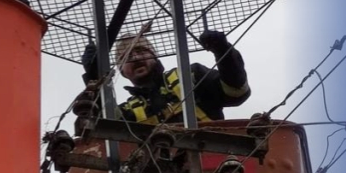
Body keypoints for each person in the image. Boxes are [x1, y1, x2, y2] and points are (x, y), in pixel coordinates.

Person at [80, 30, 251, 125]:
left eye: (141, 51)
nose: (137, 58)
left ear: (155, 57)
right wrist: (95, 79)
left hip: (212, 161)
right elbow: (105, 131)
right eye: (127, 58)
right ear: (122, 72)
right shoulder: (128, 111)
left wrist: (224, 52)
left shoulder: (188, 75)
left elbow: (236, 92)